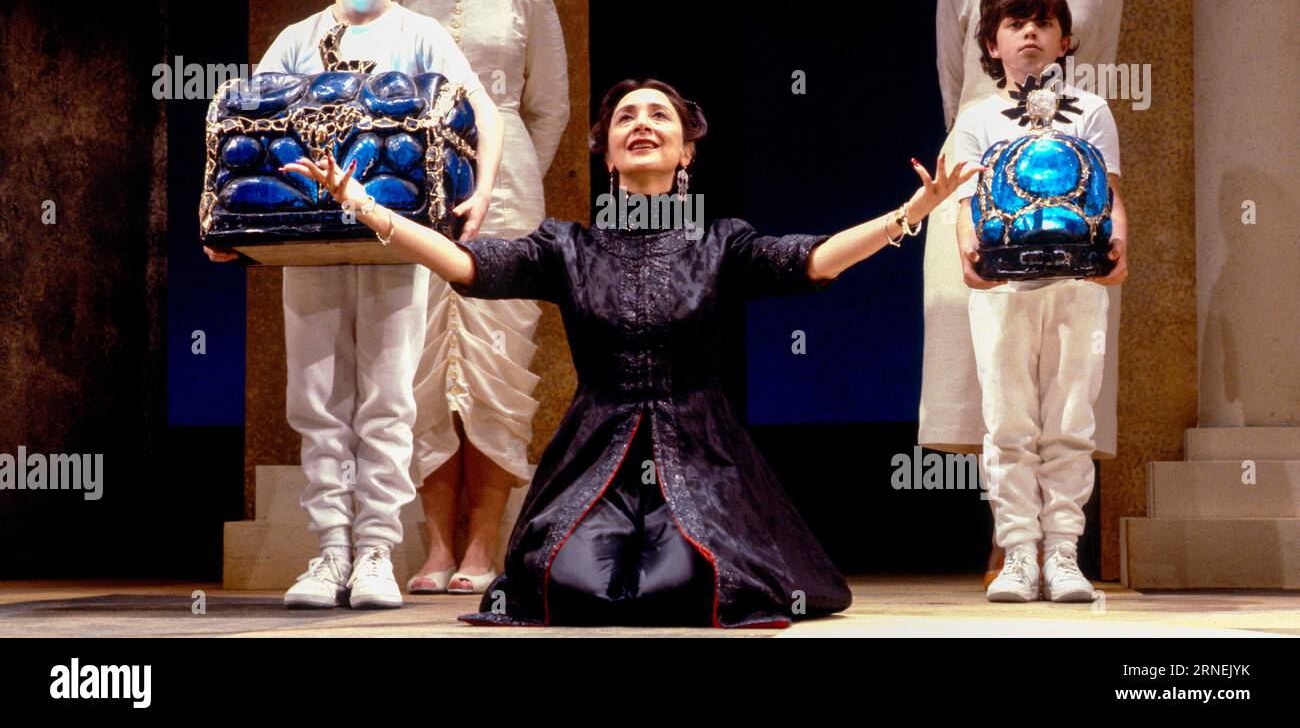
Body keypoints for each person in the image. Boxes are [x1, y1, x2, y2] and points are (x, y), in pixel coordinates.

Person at [284, 77, 983, 627]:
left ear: (686, 153)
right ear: (608, 152)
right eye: (625, 118)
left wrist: (908, 215)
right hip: (597, 452)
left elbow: (814, 260)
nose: (641, 123)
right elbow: (467, 264)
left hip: (701, 454)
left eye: (660, 117)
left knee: (696, 579)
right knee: (570, 581)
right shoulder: (566, 245)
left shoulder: (721, 243)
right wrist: (372, 211)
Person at [206, 0, 504, 609]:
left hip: (390, 242)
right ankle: (328, 550)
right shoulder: (297, 39)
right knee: (314, 396)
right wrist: (217, 216)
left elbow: (480, 109)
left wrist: (482, 191)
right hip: (307, 244)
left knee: (387, 393)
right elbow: (235, 123)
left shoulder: (419, 35)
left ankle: (374, 549)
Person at [924, 0, 1124, 581]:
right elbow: (956, 77)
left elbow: (1095, 77)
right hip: (982, 169)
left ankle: (1065, 541)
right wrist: (979, 175)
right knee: (986, 353)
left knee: (1070, 358)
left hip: (1071, 185)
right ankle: (1009, 536)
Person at [388, 0, 571, 596]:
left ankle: (484, 543)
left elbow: (549, 107)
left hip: (507, 194)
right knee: (423, 364)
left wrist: (513, 174)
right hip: (413, 189)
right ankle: (435, 546)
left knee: (496, 361)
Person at [951, 0, 1128, 601]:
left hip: (1077, 283)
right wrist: (967, 250)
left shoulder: (1091, 110)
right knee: (1008, 423)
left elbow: (1107, 187)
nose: (1029, 33)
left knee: (1071, 420)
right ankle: (1019, 552)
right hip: (1003, 288)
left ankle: (1063, 554)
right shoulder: (977, 116)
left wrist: (1119, 248)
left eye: (1043, 23)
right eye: (1014, 24)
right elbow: (965, 198)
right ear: (992, 44)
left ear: (1065, 39)